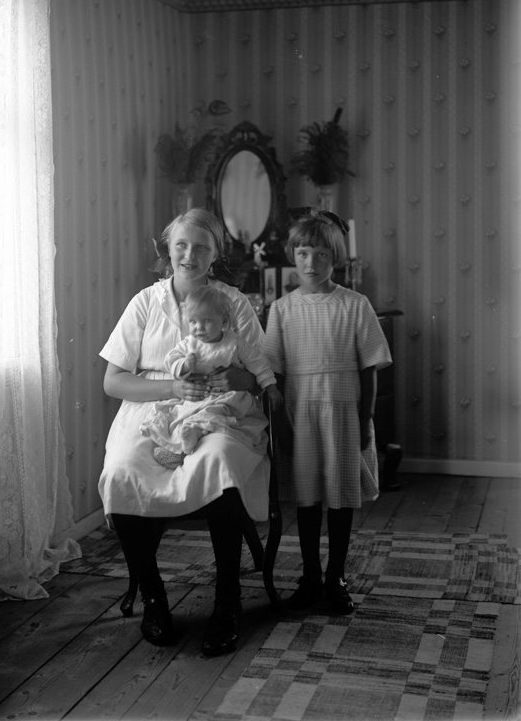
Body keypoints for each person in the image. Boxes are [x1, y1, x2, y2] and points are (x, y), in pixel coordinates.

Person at [99, 208, 274, 657]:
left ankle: (227, 601)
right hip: (152, 407)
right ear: (168, 248)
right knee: (121, 471)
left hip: (219, 408)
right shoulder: (145, 302)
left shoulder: (233, 302)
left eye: (201, 247)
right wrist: (171, 387)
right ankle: (154, 597)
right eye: (181, 245)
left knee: (217, 461)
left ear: (215, 254)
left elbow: (261, 372)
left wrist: (239, 378)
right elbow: (113, 381)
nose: (189, 255)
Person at [264, 208, 392, 614]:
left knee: (339, 496)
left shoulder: (355, 305)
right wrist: (281, 424)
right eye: (303, 253)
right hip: (300, 415)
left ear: (334, 257)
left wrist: (365, 419)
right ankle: (310, 576)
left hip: (343, 414)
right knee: (307, 499)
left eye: (321, 254)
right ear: (293, 256)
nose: (311, 263)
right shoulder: (281, 310)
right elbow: (274, 375)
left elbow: (369, 368)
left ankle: (336, 576)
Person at [139, 286, 283, 467]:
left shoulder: (235, 343)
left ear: (224, 321)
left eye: (206, 321)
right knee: (180, 415)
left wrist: (271, 388)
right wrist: (184, 365)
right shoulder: (189, 344)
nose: (198, 328)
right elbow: (170, 360)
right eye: (193, 321)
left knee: (211, 414)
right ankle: (179, 446)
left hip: (228, 398)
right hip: (199, 396)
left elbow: (260, 364)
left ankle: (188, 441)